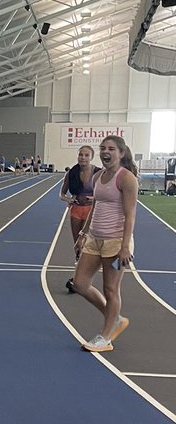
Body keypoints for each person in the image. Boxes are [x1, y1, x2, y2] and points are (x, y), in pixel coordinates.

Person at [72, 135, 138, 353]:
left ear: (121, 153)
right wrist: (83, 233)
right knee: (79, 283)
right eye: (102, 148)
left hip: (116, 240)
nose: (105, 152)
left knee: (110, 290)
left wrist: (125, 246)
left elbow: (130, 215)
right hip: (95, 239)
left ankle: (106, 337)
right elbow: (96, 207)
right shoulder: (98, 176)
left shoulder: (126, 178)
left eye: (110, 148)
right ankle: (115, 318)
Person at [59, 146, 100, 292]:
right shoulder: (72, 172)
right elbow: (62, 193)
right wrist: (68, 199)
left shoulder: (98, 173)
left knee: (88, 245)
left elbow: (106, 194)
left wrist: (94, 198)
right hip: (76, 211)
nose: (83, 157)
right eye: (81, 155)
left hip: (91, 212)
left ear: (91, 157)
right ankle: (79, 277)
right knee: (78, 244)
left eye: (86, 155)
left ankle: (81, 278)